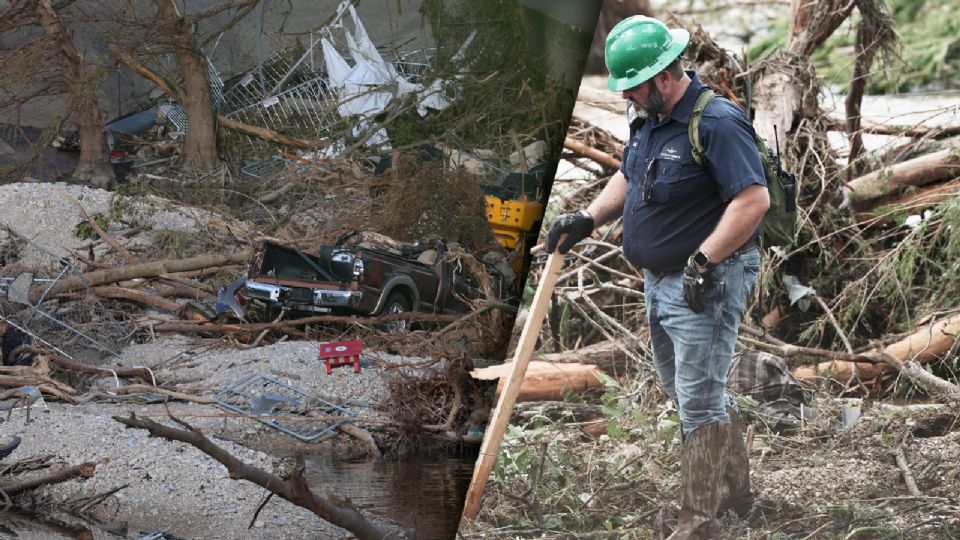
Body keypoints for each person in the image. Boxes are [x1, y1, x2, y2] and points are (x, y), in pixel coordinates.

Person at [546, 15, 770, 540]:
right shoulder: (650, 116)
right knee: (686, 389)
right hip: (661, 278)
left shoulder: (716, 122)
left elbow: (752, 199)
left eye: (632, 87)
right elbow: (629, 173)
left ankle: (698, 521)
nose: (626, 98)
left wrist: (704, 260)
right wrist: (588, 218)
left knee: (697, 400)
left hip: (708, 278)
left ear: (662, 78)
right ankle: (738, 493)